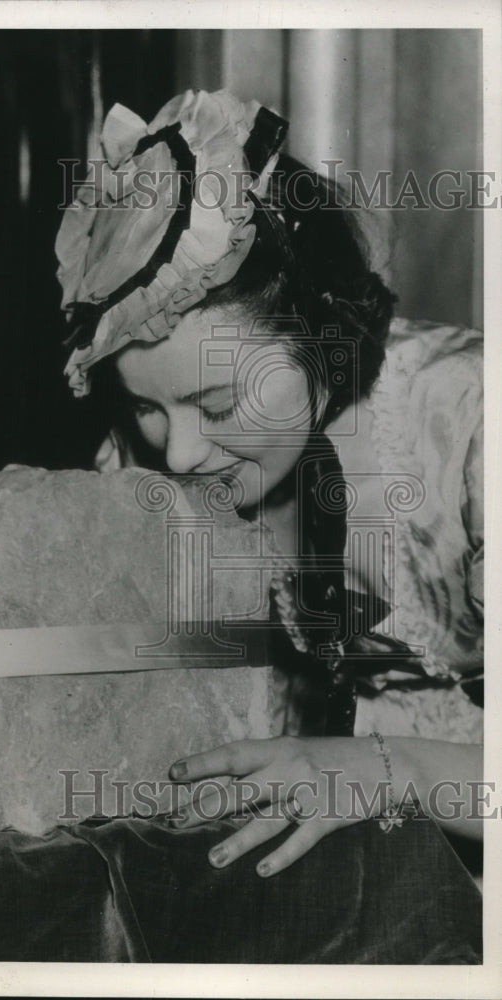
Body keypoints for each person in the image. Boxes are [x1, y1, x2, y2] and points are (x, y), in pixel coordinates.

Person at [56, 88, 484, 880]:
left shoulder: (471, 427)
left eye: (217, 403)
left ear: (323, 349)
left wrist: (397, 770)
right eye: (147, 405)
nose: (179, 453)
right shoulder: (141, 466)